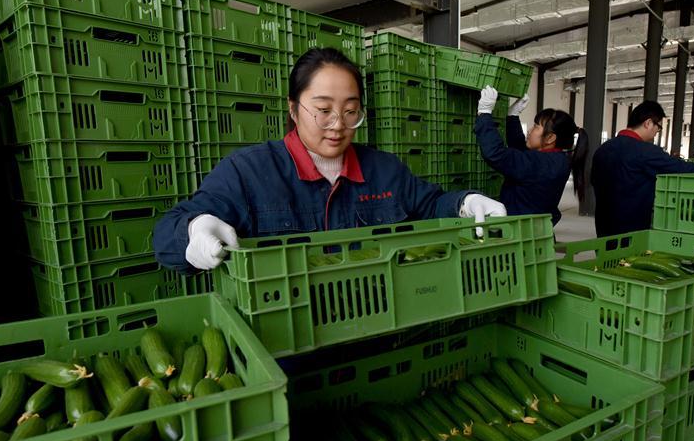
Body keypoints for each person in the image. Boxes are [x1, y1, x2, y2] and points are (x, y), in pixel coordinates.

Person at [154, 48, 507, 273]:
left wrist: (464, 203)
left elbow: (429, 205)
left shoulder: (384, 170)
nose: (339, 125)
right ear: (293, 109)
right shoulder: (248, 171)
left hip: (375, 331)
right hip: (287, 350)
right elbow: (167, 232)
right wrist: (193, 231)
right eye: (323, 111)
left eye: (351, 111)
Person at [591, 100, 694, 237]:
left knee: (607, 258)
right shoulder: (645, 151)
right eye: (658, 128)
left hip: (603, 228)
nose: (656, 133)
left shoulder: (602, 150)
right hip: (632, 232)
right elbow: (682, 168)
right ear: (648, 123)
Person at [474, 86, 589, 225]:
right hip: (534, 228)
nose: (530, 130)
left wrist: (484, 114)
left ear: (550, 138)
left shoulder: (543, 164)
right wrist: (513, 117)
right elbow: (522, 154)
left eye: (536, 127)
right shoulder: (556, 159)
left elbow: (496, 154)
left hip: (521, 232)